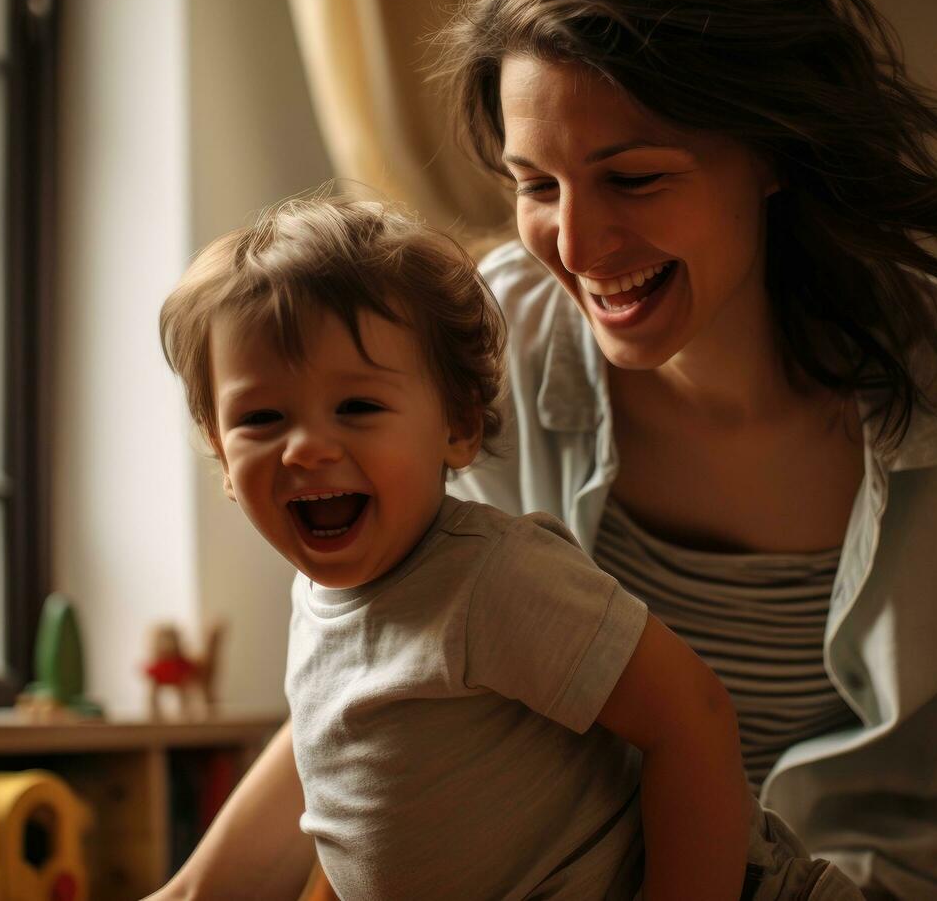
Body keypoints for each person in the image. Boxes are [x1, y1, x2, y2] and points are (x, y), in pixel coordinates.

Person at [155, 0, 937, 899]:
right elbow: (388, 661)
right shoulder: (475, 350)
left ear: (771, 156)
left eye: (634, 178)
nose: (577, 247)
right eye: (536, 184)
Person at [155, 193, 864, 900]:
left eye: (358, 407)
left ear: (459, 427)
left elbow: (694, 717)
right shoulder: (321, 598)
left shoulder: (494, 578)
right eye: (262, 418)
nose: (306, 449)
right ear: (220, 454)